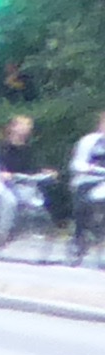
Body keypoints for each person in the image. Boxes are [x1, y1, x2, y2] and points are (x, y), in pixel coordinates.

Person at [0, 114, 48, 254]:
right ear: (13, 128)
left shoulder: (29, 149)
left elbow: (33, 167)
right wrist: (3, 172)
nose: (25, 129)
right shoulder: (1, 147)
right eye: (22, 125)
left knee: (31, 202)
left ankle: (19, 230)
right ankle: (2, 234)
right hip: (1, 184)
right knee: (9, 201)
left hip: (21, 183)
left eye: (28, 126)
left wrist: (45, 172)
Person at [72, 110, 105, 265]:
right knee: (82, 204)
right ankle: (79, 238)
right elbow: (77, 163)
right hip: (89, 178)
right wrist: (90, 169)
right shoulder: (89, 141)